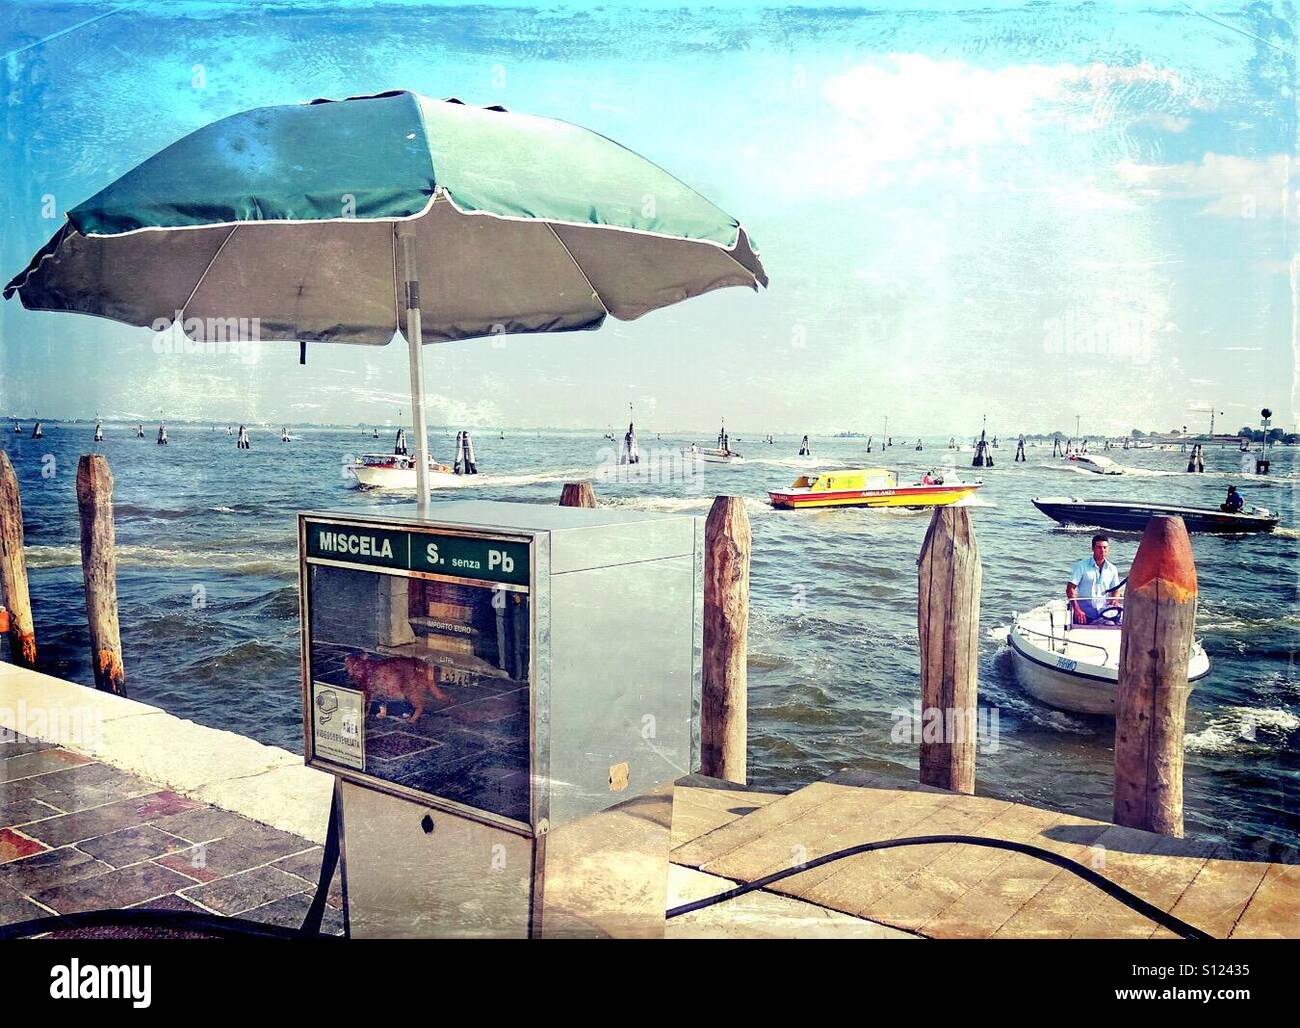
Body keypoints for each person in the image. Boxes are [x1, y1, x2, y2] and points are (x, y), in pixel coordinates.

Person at [1066, 534, 1123, 625]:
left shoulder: (1112, 569)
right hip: (1083, 615)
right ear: (1093, 549)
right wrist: (1077, 610)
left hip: (1103, 614)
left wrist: (1115, 600)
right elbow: (1070, 589)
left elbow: (1116, 589)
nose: (1102, 550)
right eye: (1099, 547)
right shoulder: (1081, 566)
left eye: (1105, 547)